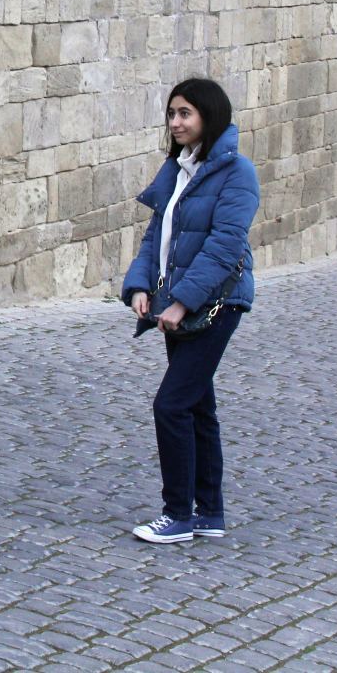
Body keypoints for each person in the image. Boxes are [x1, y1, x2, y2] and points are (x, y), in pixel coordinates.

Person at [120, 78, 260, 544]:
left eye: (186, 114)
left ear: (208, 117)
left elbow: (225, 247)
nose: (176, 122)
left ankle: (178, 514)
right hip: (178, 304)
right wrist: (141, 286)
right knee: (198, 406)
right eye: (172, 113)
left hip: (214, 304)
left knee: (172, 405)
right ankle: (209, 511)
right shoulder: (178, 170)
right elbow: (155, 237)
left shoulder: (237, 172)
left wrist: (181, 303)